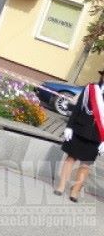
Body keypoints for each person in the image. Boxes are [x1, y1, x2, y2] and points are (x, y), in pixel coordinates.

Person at [54, 70, 104, 202]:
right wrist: (69, 126)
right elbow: (77, 108)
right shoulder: (90, 88)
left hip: (97, 135)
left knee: (86, 164)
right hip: (80, 129)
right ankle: (61, 185)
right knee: (70, 158)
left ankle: (75, 190)